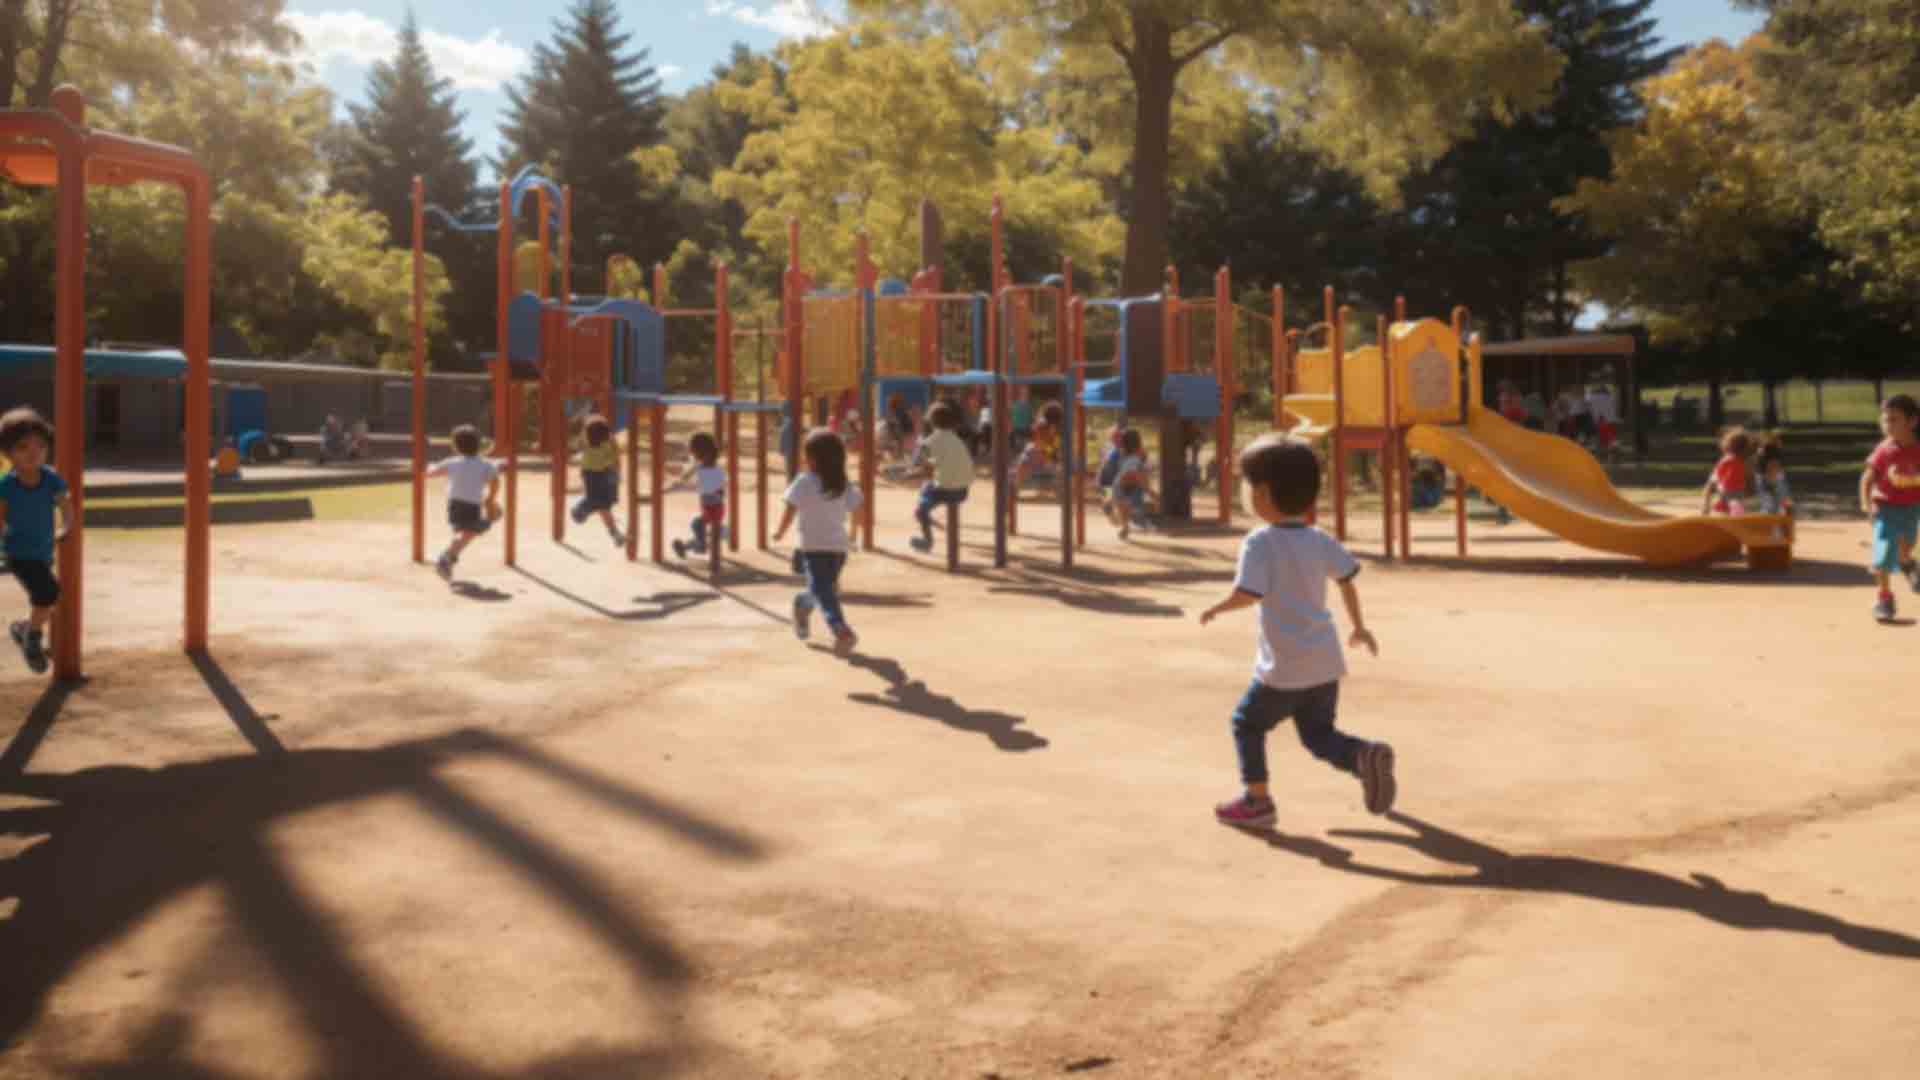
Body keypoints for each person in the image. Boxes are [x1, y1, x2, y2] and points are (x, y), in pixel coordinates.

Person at [1199, 433, 1393, 827]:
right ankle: (1362, 756)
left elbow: (1249, 594)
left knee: (1247, 723)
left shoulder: (1260, 541)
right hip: (1325, 663)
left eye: (1249, 485)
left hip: (1284, 666)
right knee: (1318, 735)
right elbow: (1347, 581)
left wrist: (1218, 607)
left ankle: (1258, 801)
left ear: (1265, 494)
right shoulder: (1320, 539)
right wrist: (1358, 627)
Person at [774, 428, 864, 656]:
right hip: (813, 549)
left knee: (824, 590)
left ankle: (802, 605)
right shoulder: (804, 482)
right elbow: (790, 508)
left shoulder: (842, 484)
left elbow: (857, 509)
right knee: (825, 591)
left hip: (837, 550)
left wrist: (853, 534)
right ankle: (840, 629)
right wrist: (781, 531)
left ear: (812, 458)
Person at [0, 407, 73, 673]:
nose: (34, 453)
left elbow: (65, 504)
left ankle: (23, 629)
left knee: (50, 599)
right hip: (18, 552)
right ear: (8, 454)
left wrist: (66, 526)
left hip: (43, 550)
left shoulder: (51, 479)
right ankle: (32, 637)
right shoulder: (7, 485)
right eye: (23, 447)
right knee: (49, 593)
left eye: (40, 447)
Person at [1860, 394, 1920, 622]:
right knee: (1883, 554)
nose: (1888, 425)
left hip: (1912, 508)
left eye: (1894, 420)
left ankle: (1908, 563)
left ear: (1912, 422)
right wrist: (1867, 506)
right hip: (1885, 507)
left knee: (1907, 546)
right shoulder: (1884, 450)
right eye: (1885, 420)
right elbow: (1866, 479)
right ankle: (1884, 598)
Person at [425, 423, 501, 581]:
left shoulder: (452, 462)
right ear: (479, 445)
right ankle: (446, 558)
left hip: (455, 504)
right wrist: (491, 498)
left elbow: (430, 473)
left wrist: (429, 466)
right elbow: (495, 480)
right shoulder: (485, 464)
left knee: (464, 532)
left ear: (456, 446)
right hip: (472, 505)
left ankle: (448, 558)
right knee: (474, 529)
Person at [910, 400, 973, 552]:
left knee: (920, 507)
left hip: (944, 491)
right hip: (963, 491)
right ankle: (927, 514)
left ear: (931, 422)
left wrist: (911, 472)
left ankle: (927, 540)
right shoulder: (958, 441)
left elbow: (917, 464)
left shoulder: (929, 441)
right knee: (930, 485)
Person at [670, 431, 727, 559]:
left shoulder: (712, 469)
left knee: (697, 525)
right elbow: (687, 474)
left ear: (702, 453)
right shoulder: (703, 465)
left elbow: (708, 488)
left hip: (714, 507)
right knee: (701, 526)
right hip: (710, 507)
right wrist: (679, 479)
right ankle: (694, 545)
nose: (693, 456)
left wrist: (681, 486)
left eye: (694, 452)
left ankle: (700, 545)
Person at [569, 414, 624, 547]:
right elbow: (613, 459)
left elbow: (581, 437)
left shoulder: (587, 443)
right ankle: (614, 533)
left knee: (600, 503)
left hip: (590, 474)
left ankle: (614, 533)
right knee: (602, 505)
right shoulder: (606, 445)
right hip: (602, 474)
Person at [1108, 428, 1155, 539]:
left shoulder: (1122, 452)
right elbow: (1140, 471)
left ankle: (1124, 524)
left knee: (1123, 506)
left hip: (1122, 483)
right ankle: (1126, 523)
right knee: (1127, 506)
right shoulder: (1132, 454)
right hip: (1130, 483)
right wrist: (1149, 490)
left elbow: (1139, 470)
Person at [1012, 401, 1064, 493]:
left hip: (1047, 452)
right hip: (1041, 451)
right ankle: (1015, 485)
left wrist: (1050, 452)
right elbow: (1038, 442)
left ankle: (1016, 484)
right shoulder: (1042, 424)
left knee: (1026, 459)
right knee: (1026, 458)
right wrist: (1046, 451)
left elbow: (1053, 445)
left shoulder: (1057, 428)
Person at [1702, 426, 1755, 516]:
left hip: (1732, 499)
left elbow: (1710, 486)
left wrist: (1706, 505)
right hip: (1731, 499)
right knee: (1734, 510)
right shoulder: (1733, 462)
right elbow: (1710, 485)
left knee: (1733, 511)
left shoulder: (1741, 463)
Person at [1755, 434, 1793, 517]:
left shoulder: (1763, 455)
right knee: (1771, 506)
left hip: (1770, 480)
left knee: (1771, 505)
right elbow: (1772, 470)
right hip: (1771, 481)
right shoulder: (1772, 456)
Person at [1587, 383, 1619, 460]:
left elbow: (1590, 407)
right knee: (1609, 439)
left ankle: (1602, 455)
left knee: (1601, 439)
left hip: (1600, 420)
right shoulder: (1611, 397)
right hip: (1608, 420)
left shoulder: (1593, 397)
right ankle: (1610, 455)